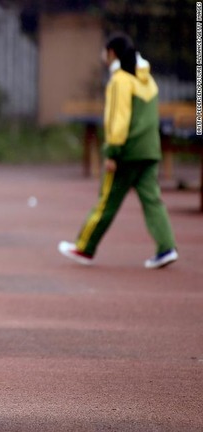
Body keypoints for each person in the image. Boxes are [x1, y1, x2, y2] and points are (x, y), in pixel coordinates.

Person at [58, 32, 178, 269]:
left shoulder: (120, 80)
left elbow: (118, 120)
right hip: (149, 151)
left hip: (126, 153)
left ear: (112, 53)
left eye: (105, 51)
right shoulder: (148, 81)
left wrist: (112, 152)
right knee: (153, 202)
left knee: (106, 202)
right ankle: (166, 247)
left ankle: (84, 247)